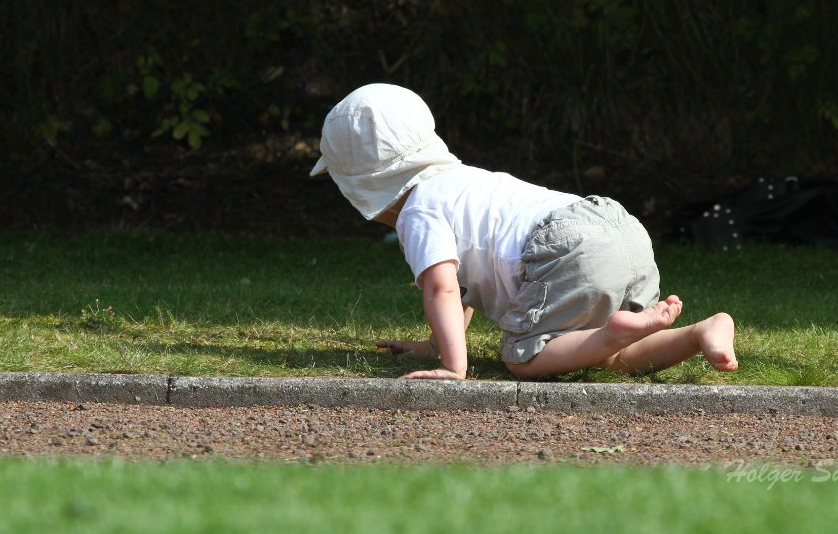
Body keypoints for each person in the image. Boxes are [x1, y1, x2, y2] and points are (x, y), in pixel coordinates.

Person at [310, 83, 738, 381]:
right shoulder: (464, 180)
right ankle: (700, 332)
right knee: (604, 355)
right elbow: (461, 286)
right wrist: (434, 344)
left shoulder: (417, 211)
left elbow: (441, 287)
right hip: (617, 226)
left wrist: (454, 367)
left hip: (564, 249)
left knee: (525, 358)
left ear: (364, 185)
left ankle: (614, 330)